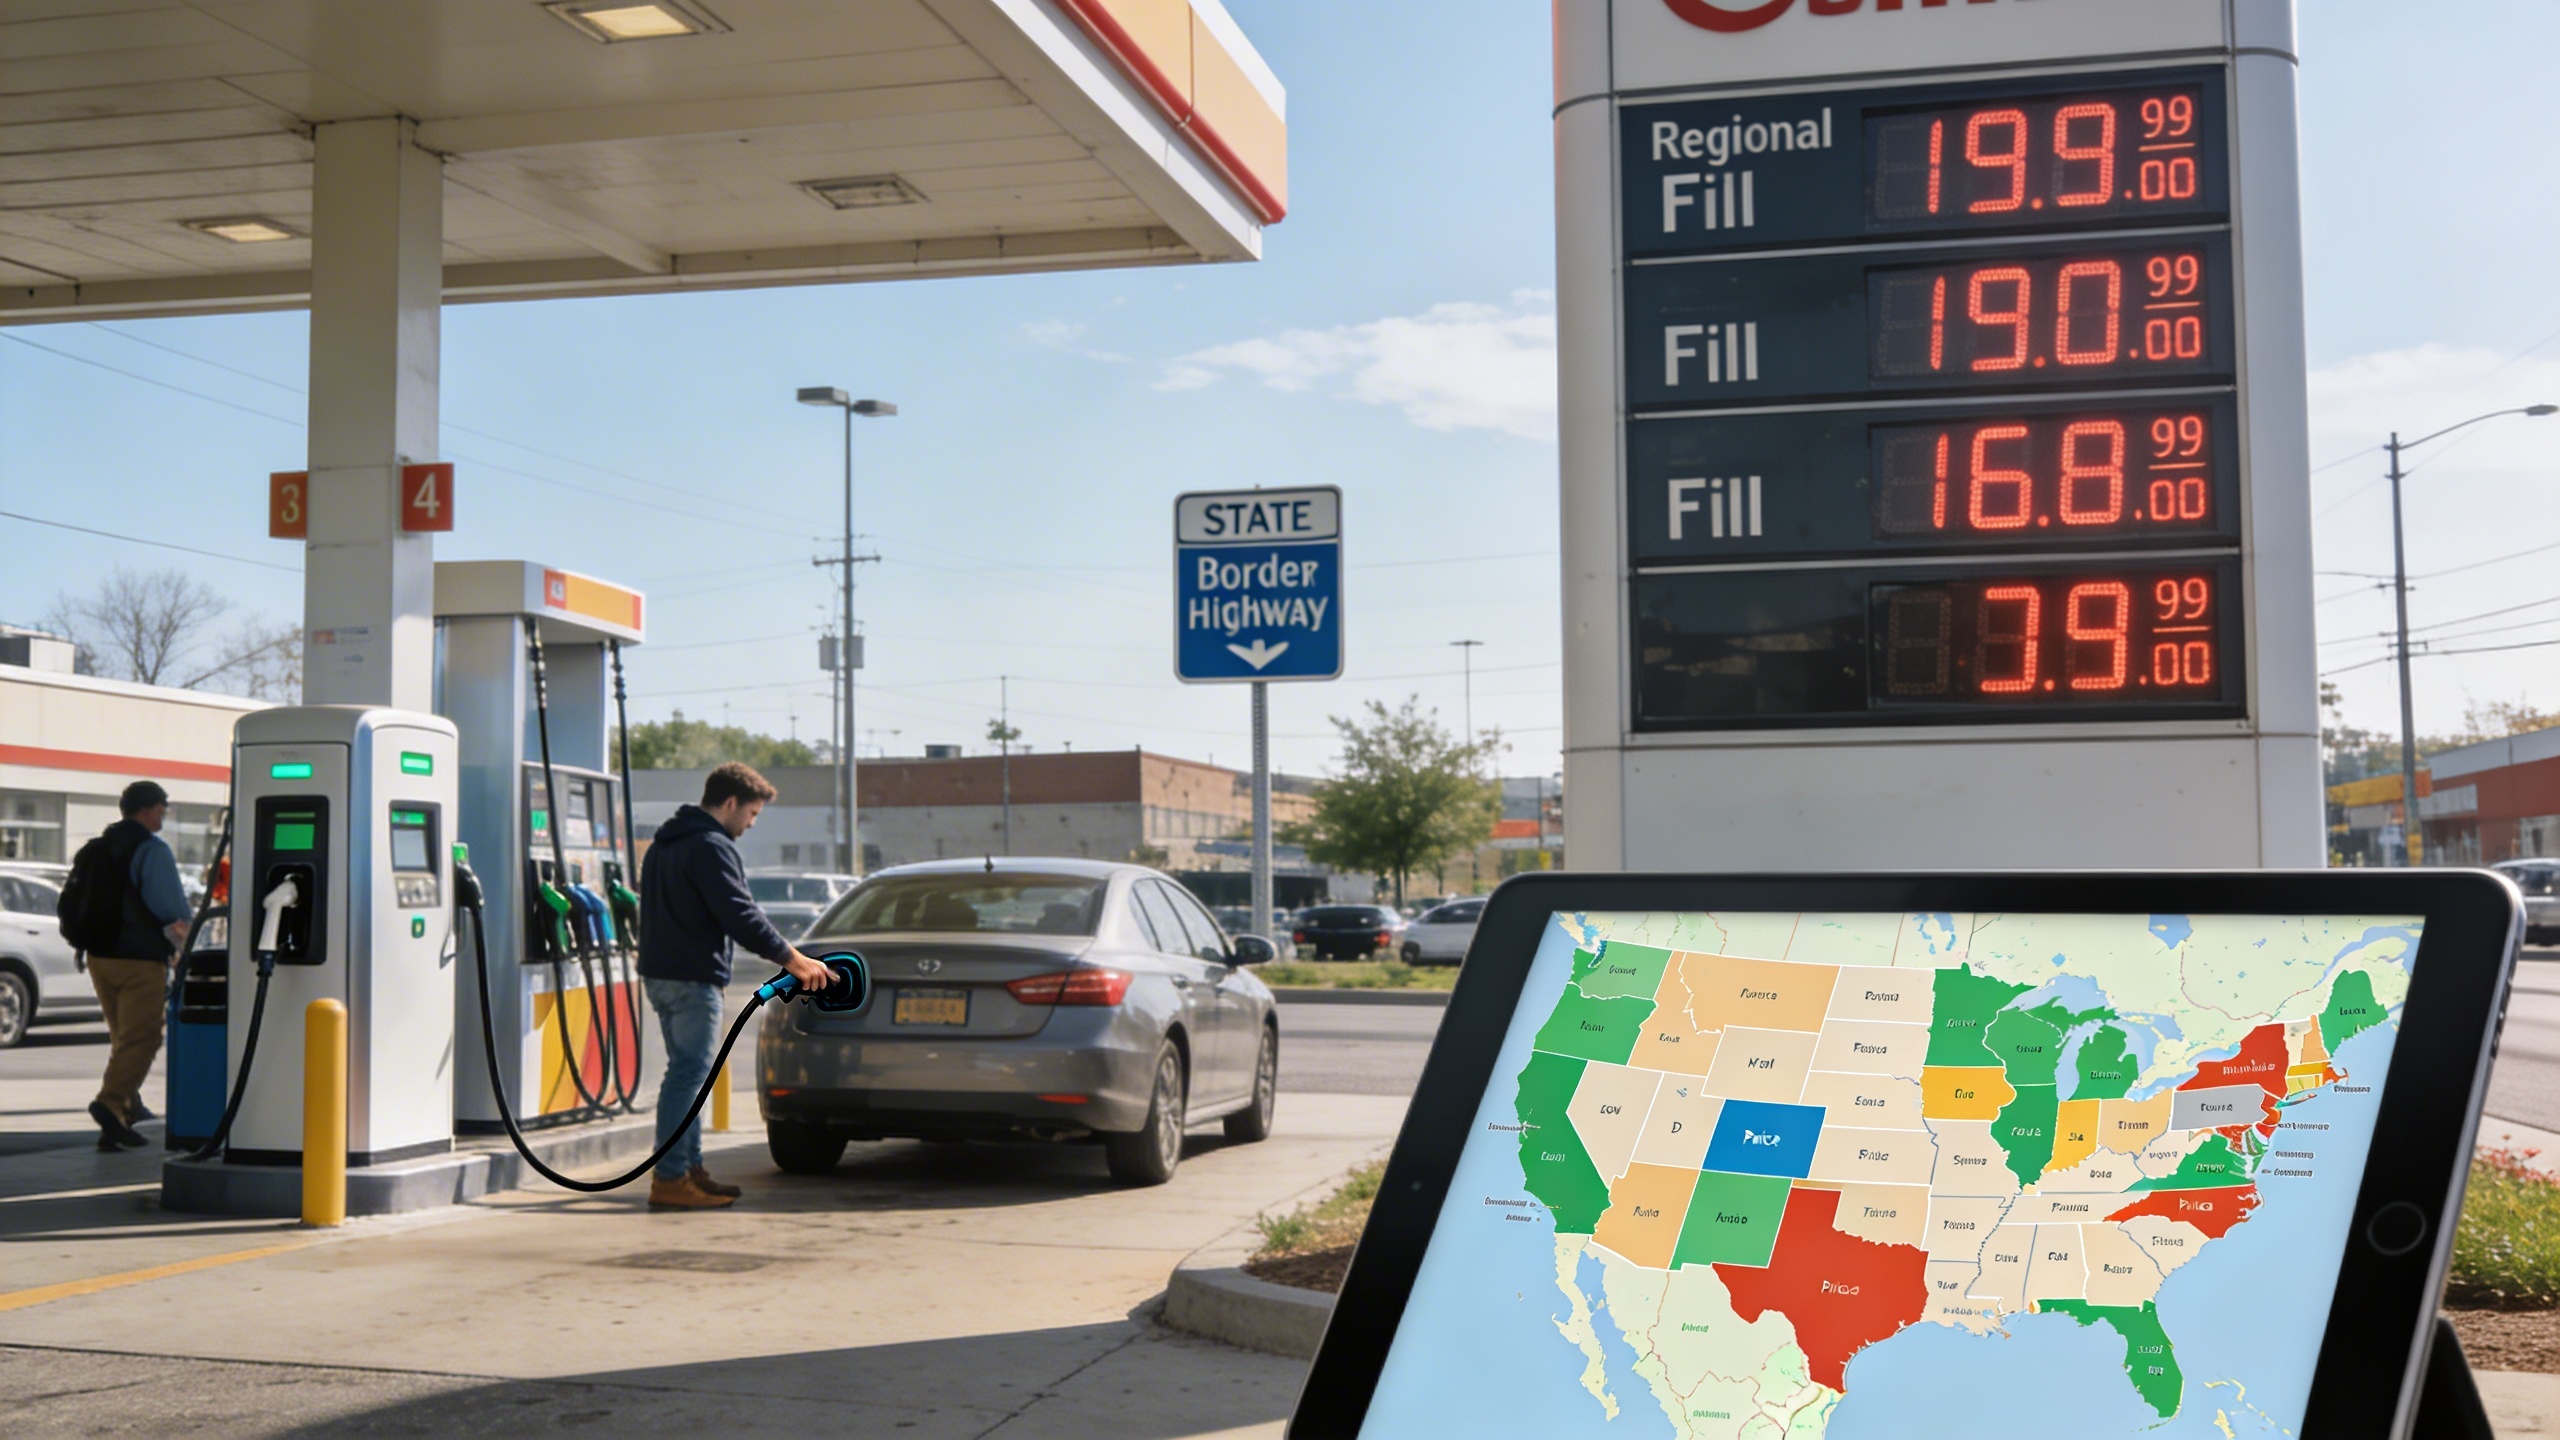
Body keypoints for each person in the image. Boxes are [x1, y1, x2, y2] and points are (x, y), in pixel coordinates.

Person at [638, 762, 833, 1209]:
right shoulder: (710, 846)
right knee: (688, 1076)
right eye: (752, 813)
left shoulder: (665, 845)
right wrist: (793, 959)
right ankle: (671, 1178)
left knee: (687, 1074)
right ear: (730, 802)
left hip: (661, 974)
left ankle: (689, 1171)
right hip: (690, 978)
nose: (751, 823)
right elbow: (739, 914)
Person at [80, 781, 194, 1151]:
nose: (163, 815)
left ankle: (120, 1119)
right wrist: (186, 940)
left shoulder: (98, 848)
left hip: (99, 957)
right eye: (162, 808)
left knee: (123, 1040)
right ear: (148, 810)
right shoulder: (152, 850)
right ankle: (110, 1103)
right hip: (138, 960)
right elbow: (169, 907)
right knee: (142, 1038)